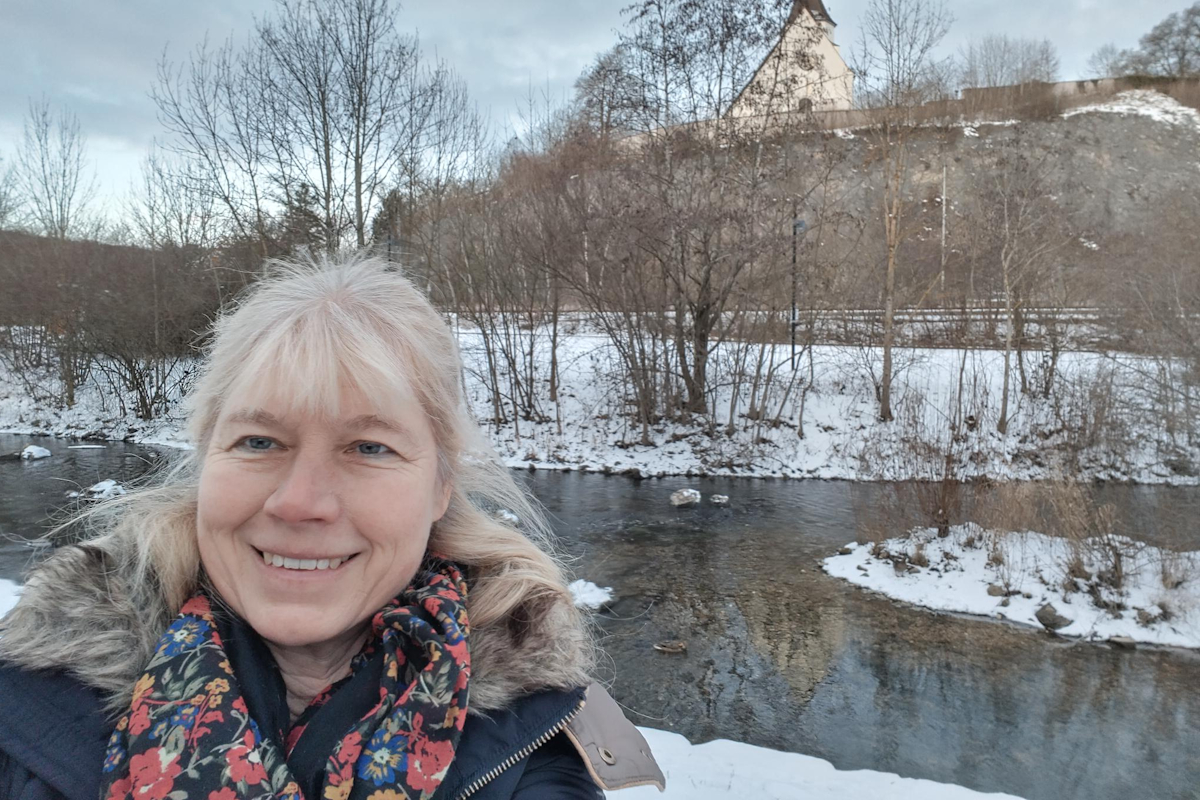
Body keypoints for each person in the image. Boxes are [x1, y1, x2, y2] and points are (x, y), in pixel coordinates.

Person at [0, 255, 664, 800]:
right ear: (205, 464)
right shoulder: (29, 709)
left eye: (369, 448)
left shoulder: (534, 752)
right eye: (259, 441)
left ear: (440, 486)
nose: (299, 503)